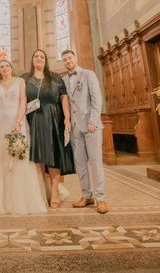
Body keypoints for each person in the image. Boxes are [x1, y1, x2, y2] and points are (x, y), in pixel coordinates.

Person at [0, 59, 48, 215]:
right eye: (1, 67)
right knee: (0, 160)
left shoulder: (19, 81)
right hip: (1, 125)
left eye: (7, 66)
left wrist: (18, 122)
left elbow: (23, 102)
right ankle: (1, 201)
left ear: (11, 68)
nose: (5, 68)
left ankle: (21, 200)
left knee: (19, 160)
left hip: (17, 123)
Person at [22, 49, 74, 208]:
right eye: (36, 56)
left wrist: (67, 117)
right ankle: (42, 189)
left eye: (42, 56)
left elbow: (64, 97)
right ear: (32, 60)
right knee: (37, 154)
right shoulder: (24, 78)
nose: (39, 58)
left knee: (53, 154)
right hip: (33, 120)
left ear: (45, 61)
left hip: (53, 118)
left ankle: (55, 189)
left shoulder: (55, 77)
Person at [61, 50, 108, 214]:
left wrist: (93, 121)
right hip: (75, 128)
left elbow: (97, 99)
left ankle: (100, 198)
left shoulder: (89, 74)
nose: (67, 61)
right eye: (65, 59)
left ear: (76, 58)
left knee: (95, 162)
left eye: (70, 58)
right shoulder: (64, 80)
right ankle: (86, 195)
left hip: (91, 126)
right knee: (80, 163)